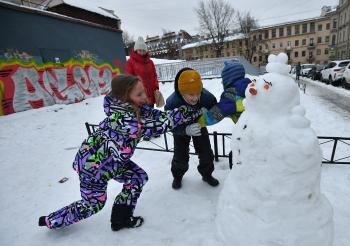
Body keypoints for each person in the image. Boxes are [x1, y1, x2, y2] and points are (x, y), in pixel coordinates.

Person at [38, 74, 203, 231]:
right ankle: (52, 220)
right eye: (139, 94)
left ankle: (120, 220)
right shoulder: (125, 121)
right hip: (93, 168)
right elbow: (162, 124)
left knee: (137, 178)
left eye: (143, 91)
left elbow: (154, 115)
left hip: (113, 161)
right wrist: (195, 111)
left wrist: (183, 109)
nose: (145, 97)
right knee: (94, 204)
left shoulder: (134, 108)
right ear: (125, 98)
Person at [165, 68, 219, 189]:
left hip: (199, 125)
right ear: (182, 92)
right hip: (181, 128)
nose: (195, 98)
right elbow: (168, 123)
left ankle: (207, 174)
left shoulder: (206, 97)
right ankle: (178, 176)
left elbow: (216, 109)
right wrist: (185, 130)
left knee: (206, 154)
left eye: (198, 93)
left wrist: (209, 116)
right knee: (180, 156)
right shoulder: (173, 102)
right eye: (191, 95)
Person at [196, 61, 251, 168]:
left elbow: (214, 115)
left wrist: (198, 120)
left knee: (237, 157)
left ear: (229, 78)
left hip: (247, 135)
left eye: (223, 79)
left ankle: (237, 178)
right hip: (263, 130)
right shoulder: (252, 86)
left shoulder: (230, 95)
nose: (222, 82)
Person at [125, 36, 165, 140]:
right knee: (143, 114)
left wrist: (156, 88)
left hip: (151, 92)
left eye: (143, 50)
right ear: (136, 50)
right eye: (140, 50)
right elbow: (129, 78)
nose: (142, 52)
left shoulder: (150, 62)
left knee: (151, 111)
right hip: (140, 94)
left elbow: (154, 76)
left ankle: (154, 130)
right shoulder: (130, 62)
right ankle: (146, 132)